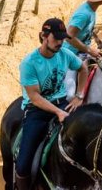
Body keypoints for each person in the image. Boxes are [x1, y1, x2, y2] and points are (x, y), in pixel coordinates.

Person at [16, 18, 84, 190]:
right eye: (56, 38)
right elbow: (35, 97)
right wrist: (58, 112)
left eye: (63, 38)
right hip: (37, 111)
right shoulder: (29, 63)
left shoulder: (64, 54)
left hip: (62, 103)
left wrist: (79, 96)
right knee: (23, 164)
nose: (60, 42)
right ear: (43, 36)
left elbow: (83, 68)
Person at [62, 0, 102, 102]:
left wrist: (96, 38)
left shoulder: (91, 10)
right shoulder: (84, 14)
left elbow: (85, 29)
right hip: (70, 54)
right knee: (69, 95)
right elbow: (68, 36)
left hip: (83, 51)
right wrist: (90, 50)